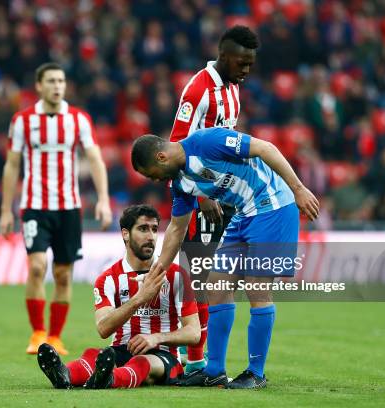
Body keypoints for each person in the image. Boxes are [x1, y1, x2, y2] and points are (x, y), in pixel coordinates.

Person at [130, 128, 319, 388]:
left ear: (161, 157)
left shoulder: (208, 141)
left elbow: (266, 149)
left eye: (151, 174)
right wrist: (157, 271)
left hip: (273, 206)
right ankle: (215, 369)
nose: (153, 180)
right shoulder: (181, 183)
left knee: (257, 289)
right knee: (216, 286)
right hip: (244, 214)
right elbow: (176, 228)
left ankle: (256, 373)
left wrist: (298, 189)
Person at [0, 62, 112, 356]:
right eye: (51, 81)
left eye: (61, 81)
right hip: (35, 207)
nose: (57, 86)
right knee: (37, 268)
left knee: (63, 274)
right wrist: (5, 209)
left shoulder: (78, 119)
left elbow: (96, 159)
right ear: (39, 85)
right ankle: (37, 334)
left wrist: (103, 199)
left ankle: (55, 336)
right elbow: (12, 165)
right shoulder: (23, 120)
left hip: (69, 208)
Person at [169, 25, 259, 374]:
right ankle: (193, 361)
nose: (246, 70)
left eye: (251, 64)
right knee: (198, 278)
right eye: (241, 63)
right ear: (223, 57)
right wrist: (204, 191)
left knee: (211, 278)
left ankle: (193, 358)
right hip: (197, 197)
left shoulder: (234, 88)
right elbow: (175, 148)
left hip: (223, 196)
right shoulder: (198, 91)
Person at [36, 205, 200, 389]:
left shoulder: (176, 275)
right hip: (121, 350)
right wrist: (140, 298)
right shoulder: (108, 279)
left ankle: (110, 379)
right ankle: (64, 374)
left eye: (154, 229)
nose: (151, 237)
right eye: (143, 229)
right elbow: (103, 328)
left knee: (141, 363)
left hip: (162, 355)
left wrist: (156, 338)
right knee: (92, 355)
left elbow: (194, 333)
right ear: (125, 234)